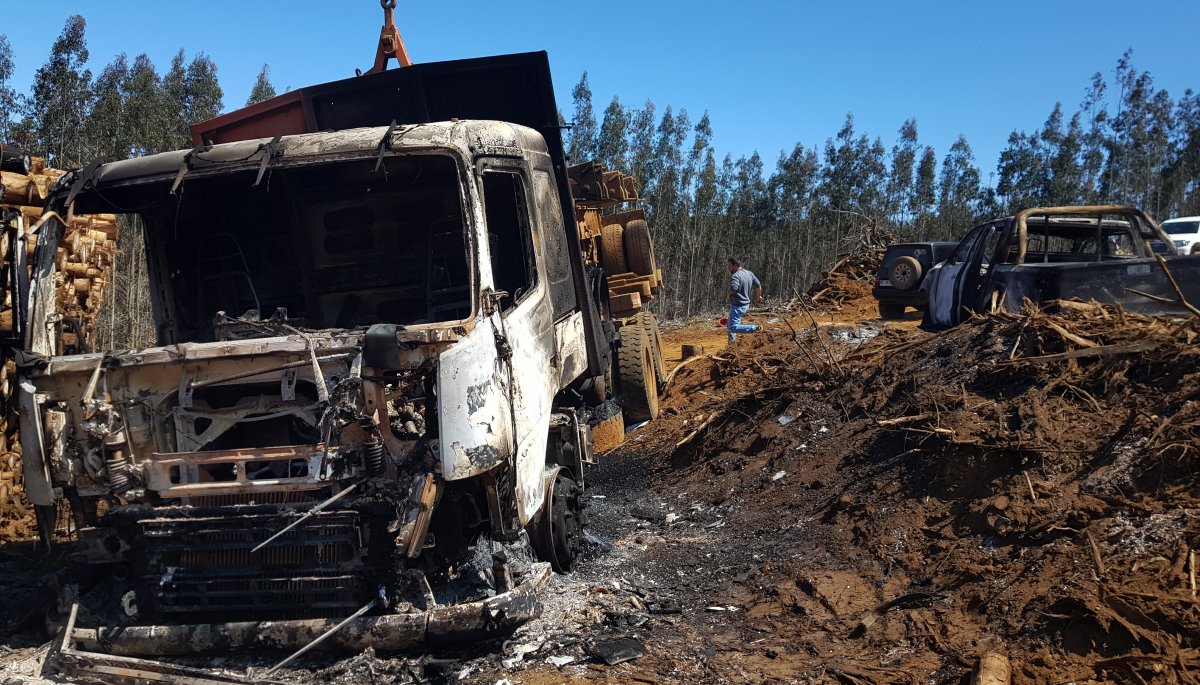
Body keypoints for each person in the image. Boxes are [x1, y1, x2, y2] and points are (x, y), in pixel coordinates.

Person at [725, 257, 762, 343]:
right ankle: (732, 343)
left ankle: (755, 328)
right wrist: (759, 297)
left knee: (732, 327)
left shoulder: (735, 276)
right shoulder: (749, 273)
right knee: (729, 325)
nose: (728, 268)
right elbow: (758, 286)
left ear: (735, 265)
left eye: (729, 266)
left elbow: (733, 289)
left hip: (738, 306)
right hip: (745, 304)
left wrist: (729, 293)